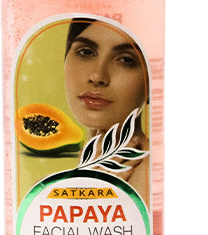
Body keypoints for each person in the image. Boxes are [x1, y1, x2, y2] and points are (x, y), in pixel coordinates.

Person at [64, 18, 150, 200]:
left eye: (125, 60)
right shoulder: (52, 185)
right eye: (86, 52)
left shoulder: (149, 181)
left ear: (151, 79)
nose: (97, 76)